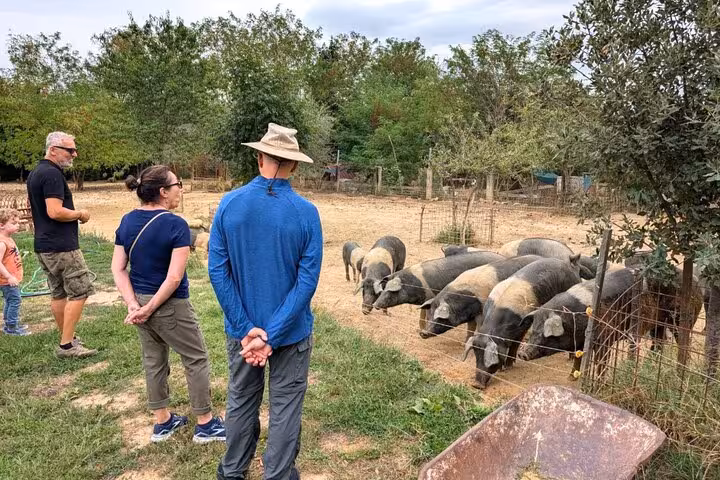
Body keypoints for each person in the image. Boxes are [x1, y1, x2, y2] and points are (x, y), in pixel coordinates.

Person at [210, 123, 323, 480]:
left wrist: (247, 330)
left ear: (259, 157)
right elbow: (306, 283)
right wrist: (270, 334)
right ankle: (278, 474)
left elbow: (218, 271)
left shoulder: (229, 205)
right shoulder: (306, 213)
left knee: (242, 399)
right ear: (295, 165)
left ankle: (232, 471)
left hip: (242, 334)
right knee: (286, 406)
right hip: (290, 334)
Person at [111, 165, 226, 444]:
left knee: (153, 360)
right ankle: (205, 424)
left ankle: (162, 422)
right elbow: (174, 277)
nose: (181, 189)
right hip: (170, 305)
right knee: (196, 358)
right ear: (163, 192)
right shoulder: (176, 225)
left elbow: (118, 268)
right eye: (178, 184)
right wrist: (150, 309)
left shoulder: (127, 221)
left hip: (139, 300)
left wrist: (133, 304)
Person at [26, 131, 96, 358]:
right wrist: (80, 214)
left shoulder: (37, 172)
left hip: (44, 245)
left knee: (58, 293)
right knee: (80, 291)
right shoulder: (52, 174)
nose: (74, 154)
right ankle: (67, 345)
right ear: (53, 149)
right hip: (61, 246)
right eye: (70, 150)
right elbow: (54, 211)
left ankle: (68, 338)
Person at [0, 209, 30, 336]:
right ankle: (12, 327)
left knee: (10, 300)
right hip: (7, 280)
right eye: (13, 223)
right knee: (15, 300)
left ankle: (8, 325)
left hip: (10, 279)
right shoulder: (2, 242)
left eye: (18, 222)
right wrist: (8, 276)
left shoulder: (8, 238)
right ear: (1, 225)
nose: (18, 225)